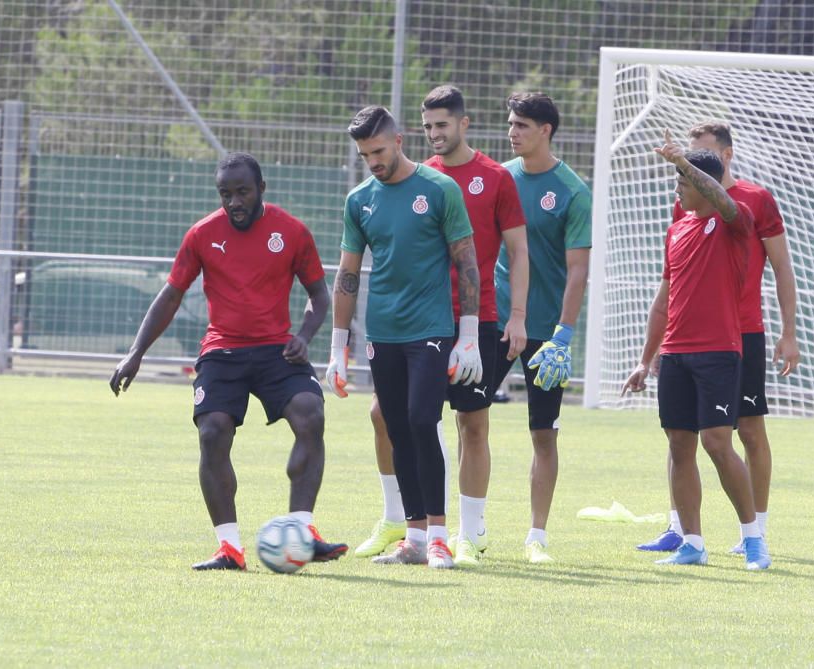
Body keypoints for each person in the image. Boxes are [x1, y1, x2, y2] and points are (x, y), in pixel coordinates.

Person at [109, 152, 347, 571]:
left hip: (278, 350)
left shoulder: (292, 232)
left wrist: (304, 337)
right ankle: (229, 548)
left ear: (261, 191)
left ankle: (303, 530)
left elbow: (319, 295)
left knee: (311, 414)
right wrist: (136, 352)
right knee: (212, 432)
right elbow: (171, 295)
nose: (234, 202)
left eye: (242, 192)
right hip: (222, 351)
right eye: (225, 194)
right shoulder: (202, 234)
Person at [351, 85, 529, 566]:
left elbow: (515, 251)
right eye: (428, 126)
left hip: (476, 319)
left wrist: (515, 317)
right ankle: (403, 523)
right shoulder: (408, 178)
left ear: (464, 124)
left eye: (442, 125)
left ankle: (468, 533)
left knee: (471, 422)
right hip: (415, 322)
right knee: (389, 417)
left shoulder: (493, 177)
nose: (435, 134)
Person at [326, 106, 482, 570]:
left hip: (431, 329)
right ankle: (413, 537)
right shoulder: (359, 200)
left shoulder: (439, 189)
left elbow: (467, 262)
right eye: (363, 154)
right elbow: (347, 274)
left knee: (421, 420)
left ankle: (438, 536)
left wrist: (468, 334)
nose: (372, 160)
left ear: (398, 140)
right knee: (396, 428)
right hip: (383, 332)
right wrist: (337, 348)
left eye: (377, 150)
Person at [636, 122, 800, 555]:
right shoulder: (678, 225)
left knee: (730, 437)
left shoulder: (742, 211)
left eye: (690, 166)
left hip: (733, 339)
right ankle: (687, 537)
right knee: (679, 441)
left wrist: (788, 331)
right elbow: (664, 296)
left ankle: (753, 534)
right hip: (677, 349)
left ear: (723, 157)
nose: (678, 184)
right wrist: (647, 354)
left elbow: (777, 262)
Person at [491, 92, 592, 564]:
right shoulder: (498, 179)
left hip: (545, 333)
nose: (512, 132)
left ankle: (537, 535)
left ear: (545, 130)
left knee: (543, 433)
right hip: (495, 321)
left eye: (522, 125)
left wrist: (564, 334)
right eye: (511, 124)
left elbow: (577, 271)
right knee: (467, 418)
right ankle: (469, 525)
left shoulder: (572, 191)